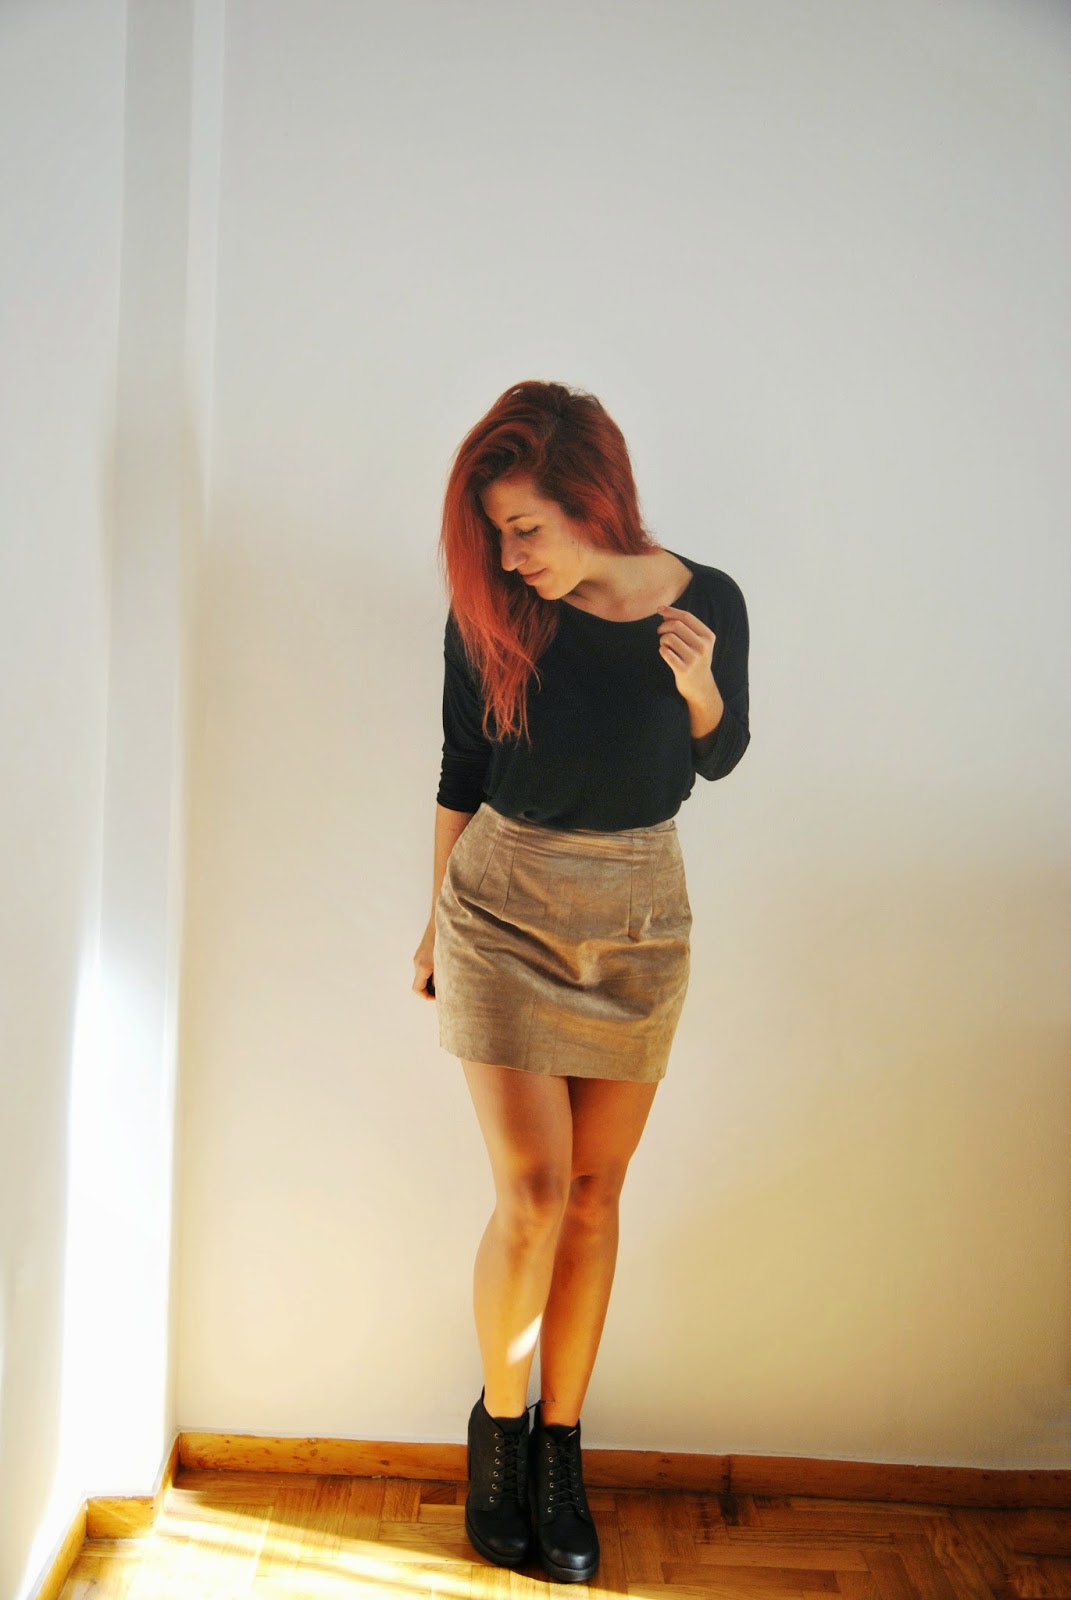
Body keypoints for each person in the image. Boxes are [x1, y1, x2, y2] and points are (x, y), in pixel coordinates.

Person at [411, 379, 750, 1584]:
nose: (509, 556)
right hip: (502, 907)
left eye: (525, 528)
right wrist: (433, 923)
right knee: (536, 1191)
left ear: (593, 499)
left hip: (640, 917)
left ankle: (560, 1447)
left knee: (597, 1196)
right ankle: (499, 1432)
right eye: (496, 531)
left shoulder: (707, 601)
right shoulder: (494, 612)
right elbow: (460, 769)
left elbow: (721, 753)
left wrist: (700, 684)